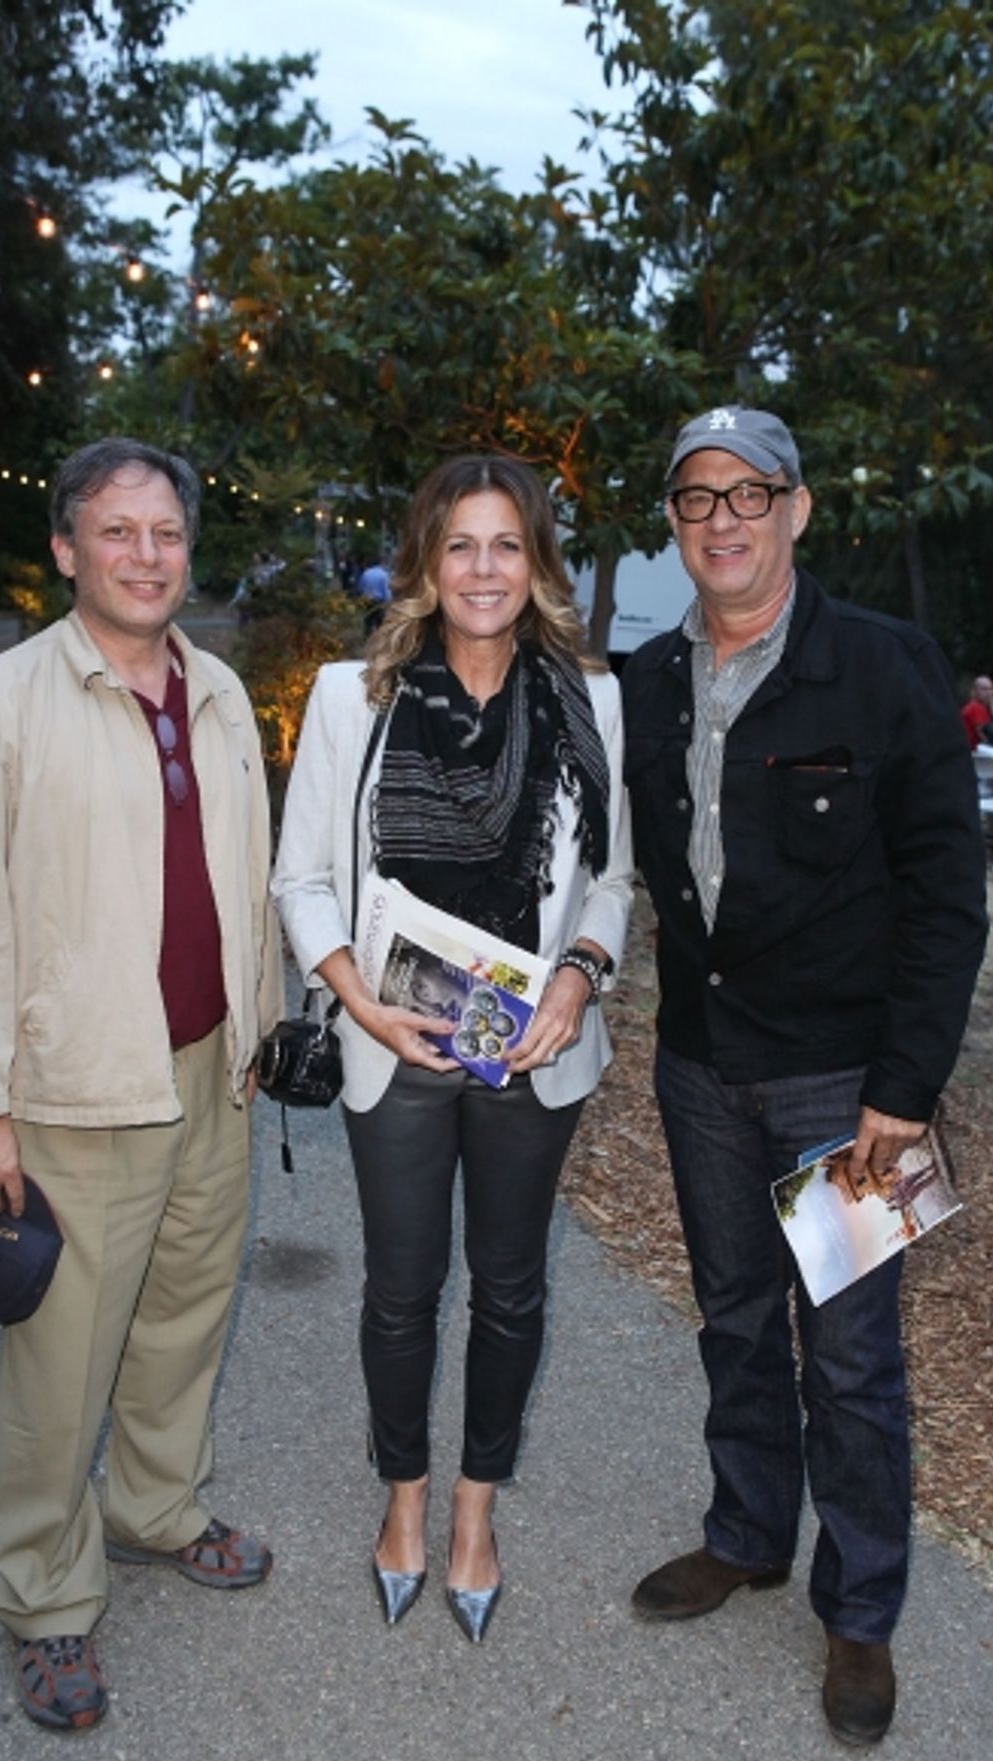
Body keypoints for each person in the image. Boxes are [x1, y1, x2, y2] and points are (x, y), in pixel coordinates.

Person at [0, 436, 284, 1732]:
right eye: (116, 532)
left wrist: (264, 1026)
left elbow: (243, 877)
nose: (145, 555)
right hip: (69, 1088)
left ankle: (154, 1505)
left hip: (206, 1070)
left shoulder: (222, 694)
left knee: (182, 1319)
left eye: (165, 532)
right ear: (66, 547)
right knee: (60, 1361)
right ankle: (45, 1594)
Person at [621, 405, 986, 1747]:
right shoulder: (650, 681)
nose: (722, 518)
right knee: (730, 1317)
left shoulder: (885, 668)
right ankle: (747, 1533)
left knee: (852, 1357)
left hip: (848, 1087)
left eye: (749, 493)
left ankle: (863, 1608)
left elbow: (949, 900)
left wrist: (908, 1083)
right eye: (696, 497)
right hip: (703, 1072)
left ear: (798, 509)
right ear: (675, 523)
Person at [272, 453, 632, 1643]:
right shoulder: (350, 698)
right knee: (400, 1291)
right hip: (398, 1043)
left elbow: (612, 880)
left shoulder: (594, 696)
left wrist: (579, 979)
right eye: (460, 545)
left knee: (514, 1288)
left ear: (537, 563)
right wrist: (355, 1002)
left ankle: (477, 1506)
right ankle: (405, 1498)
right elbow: (304, 878)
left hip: (531, 1050)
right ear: (425, 563)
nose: (484, 569)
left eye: (507, 545)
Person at [960, 674, 993, 749]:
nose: (989, 693)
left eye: (991, 689)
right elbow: (985, 736)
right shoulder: (976, 708)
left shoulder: (978, 707)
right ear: (975, 691)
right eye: (984, 689)